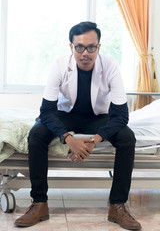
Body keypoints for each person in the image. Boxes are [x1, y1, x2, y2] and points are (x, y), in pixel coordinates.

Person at [15, 21, 141, 230]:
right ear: (71, 47)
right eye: (79, 47)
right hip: (66, 115)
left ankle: (117, 206)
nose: (85, 52)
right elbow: (46, 111)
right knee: (36, 134)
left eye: (91, 47)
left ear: (98, 47)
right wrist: (68, 138)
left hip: (98, 117)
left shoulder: (110, 66)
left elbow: (121, 116)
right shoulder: (59, 65)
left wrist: (95, 140)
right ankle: (39, 203)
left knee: (127, 137)